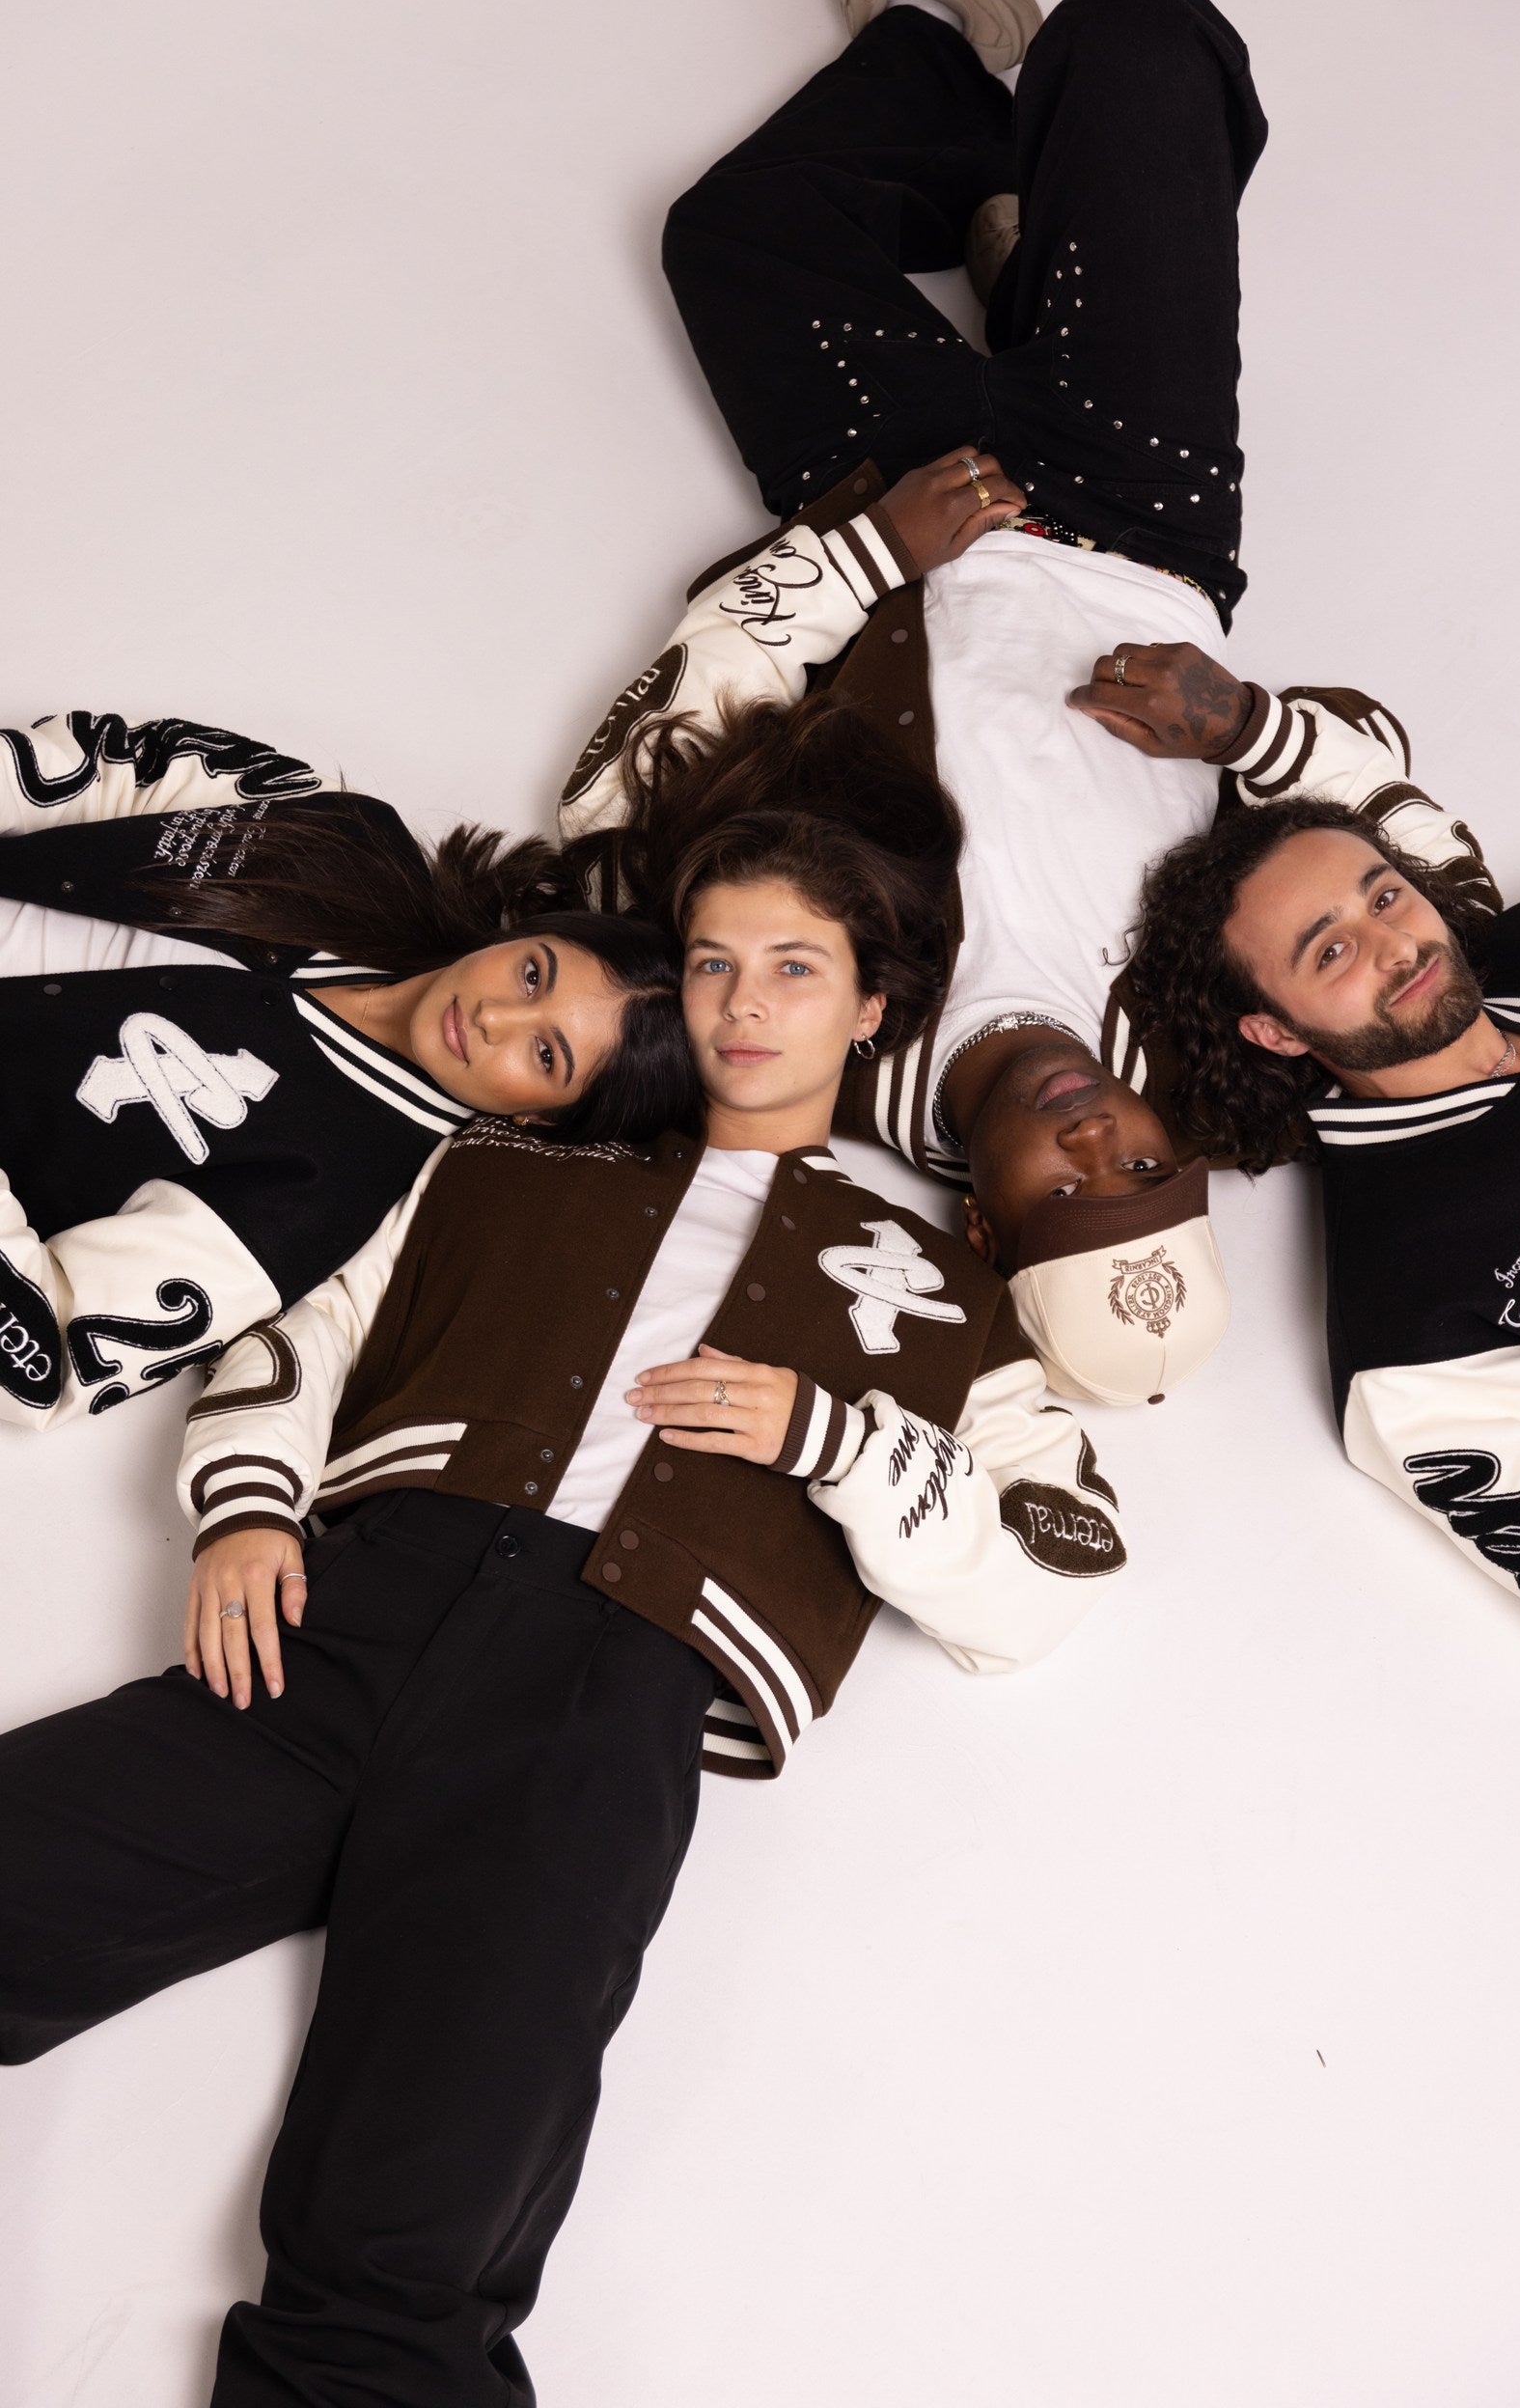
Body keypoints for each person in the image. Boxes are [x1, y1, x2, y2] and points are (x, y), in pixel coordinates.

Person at [0, 804, 1124, 2399]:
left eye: (791, 968)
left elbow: (1046, 1570)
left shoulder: (950, 1294)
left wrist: (833, 1439)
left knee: (401, 2250)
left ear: (867, 1006)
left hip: (597, 1719)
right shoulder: (495, 1158)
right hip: (340, 1623)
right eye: (716, 961)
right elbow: (301, 1335)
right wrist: (244, 1510)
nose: (743, 1003)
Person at [558, 0, 1491, 1407]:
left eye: (1071, 1192)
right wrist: (1243, 725)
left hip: (908, 495)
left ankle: (945, 79)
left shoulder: (824, 1049)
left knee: (728, 231)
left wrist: (870, 553)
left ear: (984, 1227)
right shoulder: (1222, 1046)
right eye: (1144, 1165)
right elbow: (1439, 867)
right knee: (1139, 36)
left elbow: (623, 796)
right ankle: (1045, 250)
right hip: (1142, 511)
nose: (1098, 1134)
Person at [0, 708, 693, 1425]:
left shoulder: (319, 1199)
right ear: (533, 934)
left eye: (545, 1054)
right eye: (531, 975)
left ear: (542, 1115)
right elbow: (126, 764)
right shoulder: (355, 841)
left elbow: (40, 1362)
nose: (496, 1019)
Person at [1126, 789, 1520, 1661]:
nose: (1396, 947)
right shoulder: (1408, 1322)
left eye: (1384, 896)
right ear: (1276, 1031)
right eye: (1332, 952)